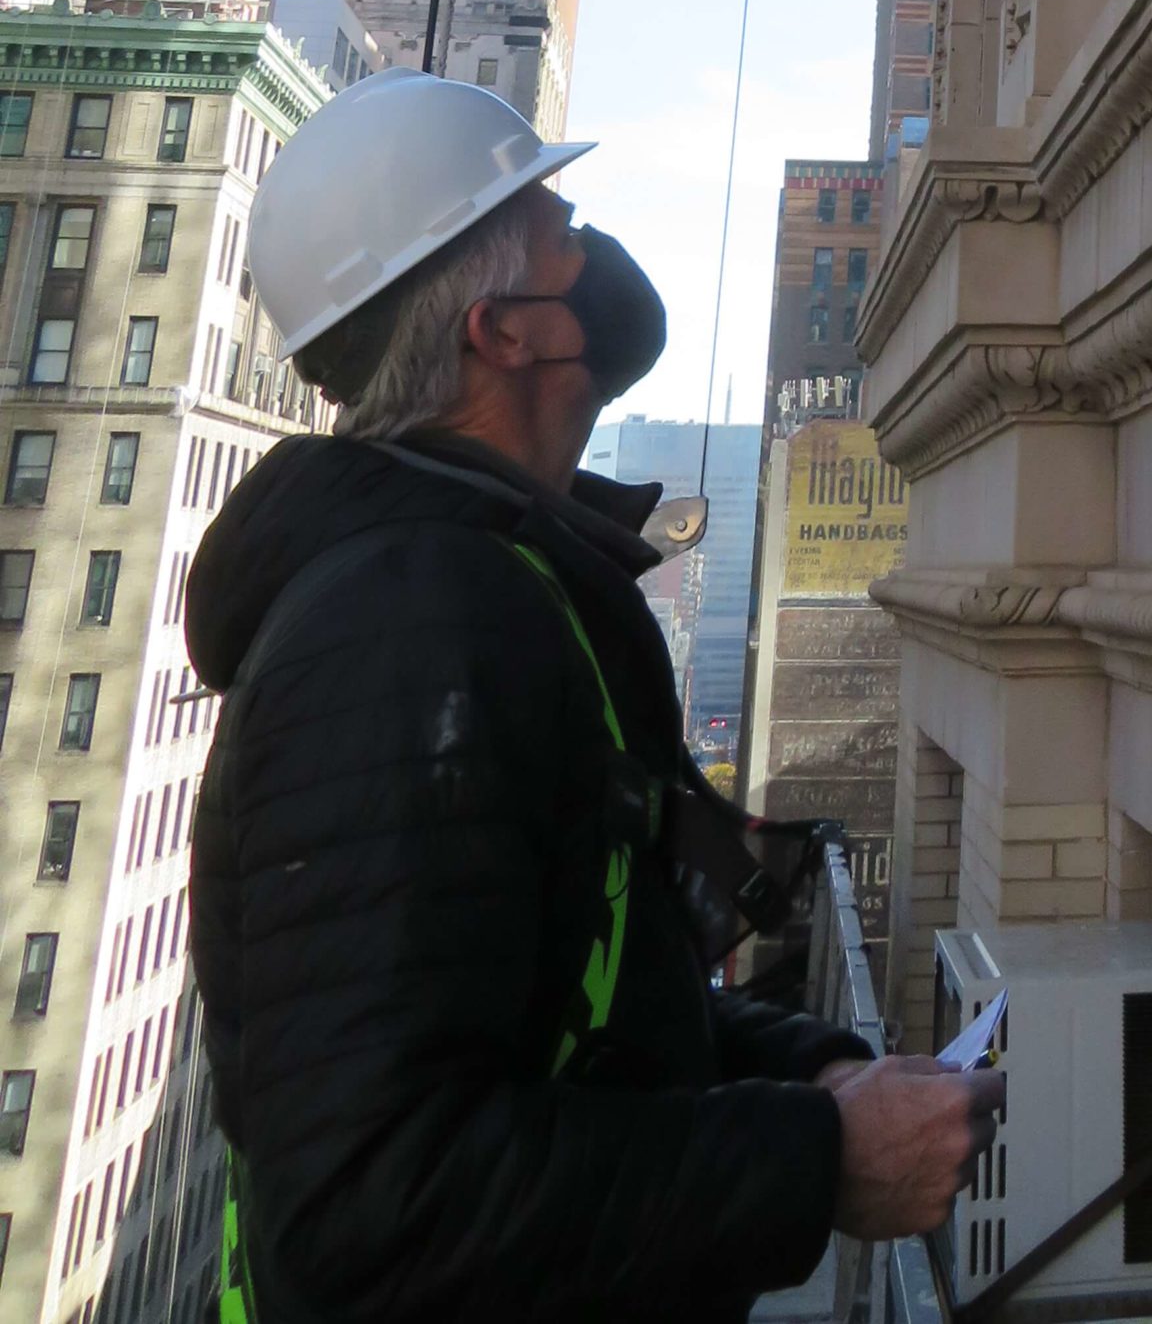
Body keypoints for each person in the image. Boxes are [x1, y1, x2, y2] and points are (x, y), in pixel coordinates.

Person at [186, 67, 997, 1324]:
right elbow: (378, 1205)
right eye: (562, 226)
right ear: (498, 328)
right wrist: (817, 1163)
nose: (594, 252)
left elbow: (582, 1009)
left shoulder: (492, 578)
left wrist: (816, 1074)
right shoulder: (404, 628)